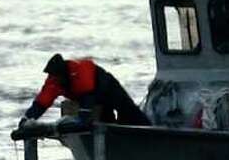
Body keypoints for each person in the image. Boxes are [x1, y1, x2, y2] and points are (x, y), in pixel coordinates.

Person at [20, 54, 150, 127]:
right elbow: (41, 103)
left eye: (57, 76)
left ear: (63, 72)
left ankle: (150, 130)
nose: (55, 78)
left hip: (108, 87)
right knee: (106, 122)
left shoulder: (79, 72)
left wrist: (82, 119)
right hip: (94, 98)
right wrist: (27, 119)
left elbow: (88, 98)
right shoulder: (54, 80)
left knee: (128, 111)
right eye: (53, 76)